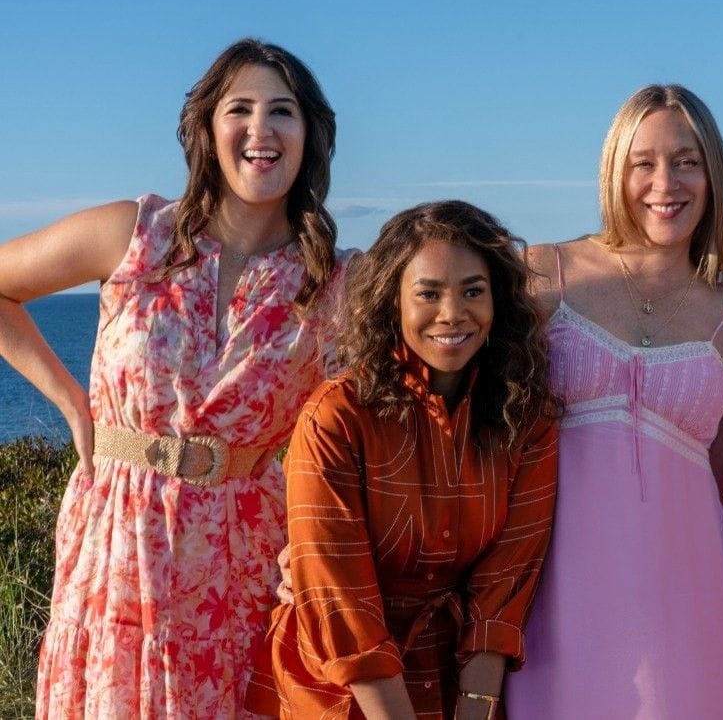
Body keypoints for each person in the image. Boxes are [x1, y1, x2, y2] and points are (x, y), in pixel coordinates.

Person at [0, 39, 349, 716]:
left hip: (247, 560)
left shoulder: (333, 281)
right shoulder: (133, 233)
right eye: (239, 109)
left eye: (282, 111)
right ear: (207, 129)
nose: (260, 129)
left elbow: (441, 315)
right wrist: (70, 401)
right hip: (116, 542)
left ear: (309, 134)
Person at [246, 201, 559, 719]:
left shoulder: (527, 419)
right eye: (428, 293)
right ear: (392, 301)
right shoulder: (336, 418)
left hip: (456, 672)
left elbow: (505, 583)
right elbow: (341, 600)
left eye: (473, 291)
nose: (452, 313)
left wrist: (475, 708)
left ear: (498, 299)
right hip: (340, 686)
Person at [503, 85, 723, 719]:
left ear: (713, 174)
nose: (664, 183)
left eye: (687, 161)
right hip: (558, 590)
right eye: (643, 162)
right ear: (615, 170)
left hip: (688, 597)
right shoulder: (544, 275)